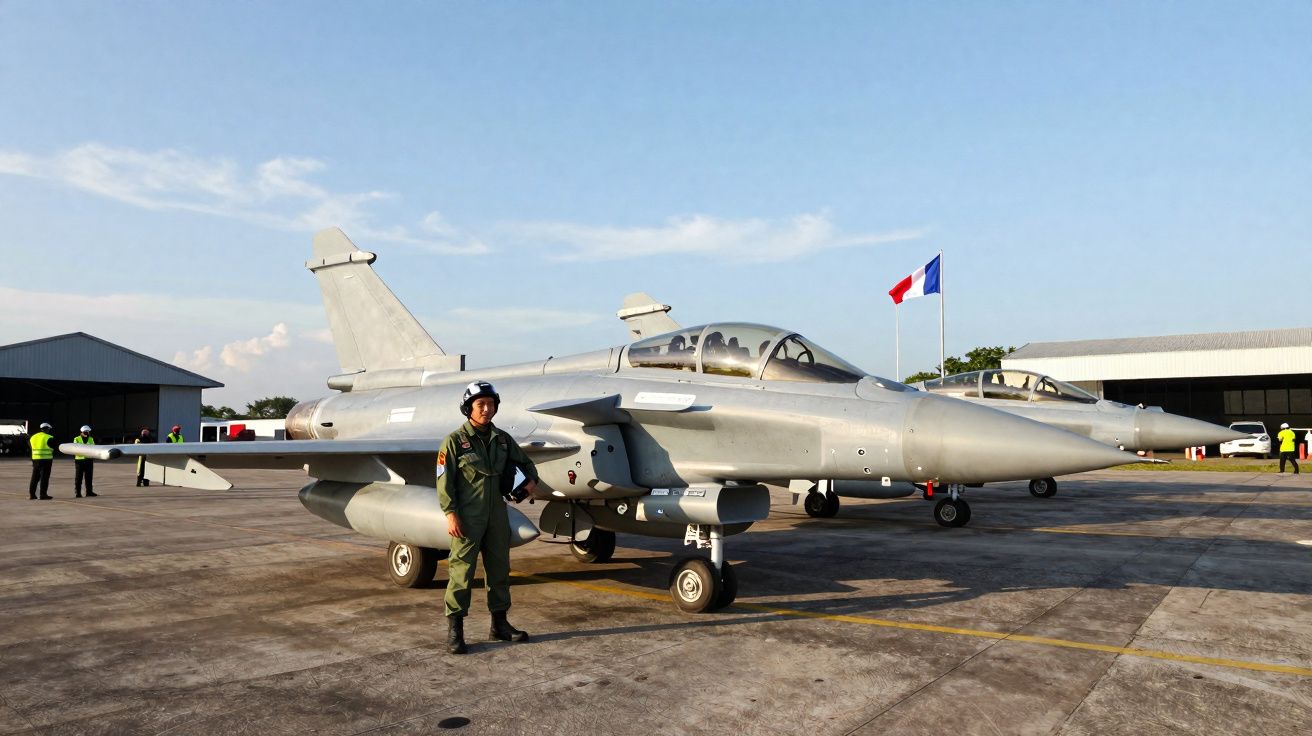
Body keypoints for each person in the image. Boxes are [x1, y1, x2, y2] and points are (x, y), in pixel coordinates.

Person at [436, 380, 539, 655]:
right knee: (461, 573)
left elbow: (527, 464)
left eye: (490, 404)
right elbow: (444, 481)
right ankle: (455, 631)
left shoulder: (502, 439)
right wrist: (450, 514)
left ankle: (500, 625)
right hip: (468, 517)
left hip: (497, 515)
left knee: (499, 572)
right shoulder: (455, 441)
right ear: (468, 408)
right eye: (480, 405)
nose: (486, 409)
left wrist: (530, 482)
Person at [29, 422, 55, 500]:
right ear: (47, 429)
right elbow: (53, 447)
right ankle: (43, 495)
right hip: (46, 460)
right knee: (44, 478)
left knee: (34, 478)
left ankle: (32, 495)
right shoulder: (49, 437)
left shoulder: (33, 437)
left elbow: (31, 447)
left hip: (35, 460)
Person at [73, 425, 98, 498]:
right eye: (86, 432)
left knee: (89, 477)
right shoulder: (76, 439)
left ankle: (89, 492)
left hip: (89, 460)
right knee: (78, 478)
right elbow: (74, 449)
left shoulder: (91, 439)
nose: (87, 433)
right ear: (81, 432)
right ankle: (78, 493)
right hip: (79, 461)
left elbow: (93, 448)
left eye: (88, 432)